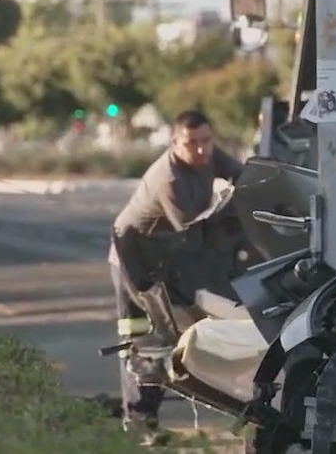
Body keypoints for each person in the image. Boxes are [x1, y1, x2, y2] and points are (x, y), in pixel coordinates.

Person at [108, 109, 245, 436]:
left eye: (205, 141)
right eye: (191, 143)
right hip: (134, 259)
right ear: (174, 143)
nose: (200, 150)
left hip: (165, 256)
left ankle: (147, 417)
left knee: (170, 335)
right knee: (143, 338)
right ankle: (141, 423)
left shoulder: (209, 156)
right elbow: (196, 231)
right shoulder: (169, 179)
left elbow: (244, 179)